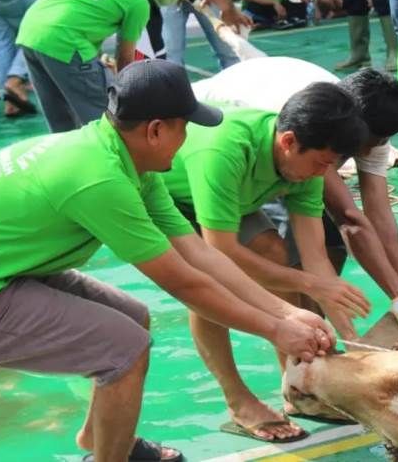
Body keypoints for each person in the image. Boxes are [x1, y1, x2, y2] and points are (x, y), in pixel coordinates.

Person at [0, 59, 334, 462]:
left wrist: (286, 313)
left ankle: (99, 441)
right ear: (155, 130)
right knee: (124, 349)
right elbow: (184, 282)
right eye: (183, 128)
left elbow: (197, 250)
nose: (186, 139)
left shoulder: (128, 160)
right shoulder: (100, 178)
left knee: (133, 317)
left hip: (5, 267)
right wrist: (275, 330)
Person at [162, 78, 378, 441]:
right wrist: (309, 287)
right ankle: (238, 400)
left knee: (274, 254)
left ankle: (297, 390)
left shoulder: (310, 159)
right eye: (320, 163)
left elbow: (314, 259)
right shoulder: (225, 150)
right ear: (288, 141)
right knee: (209, 287)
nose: (321, 174)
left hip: (230, 203)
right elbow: (220, 252)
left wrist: (353, 338)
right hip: (170, 198)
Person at [191, 57, 398, 338]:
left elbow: (376, 218)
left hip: (270, 165)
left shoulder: (352, 137)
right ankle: (293, 354)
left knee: (315, 249)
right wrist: (308, 286)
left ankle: (312, 338)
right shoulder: (308, 126)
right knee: (231, 271)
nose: (365, 155)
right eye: (362, 146)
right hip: (210, 157)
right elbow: (350, 219)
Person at [17, 0, 162, 133]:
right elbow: (125, 59)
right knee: (107, 124)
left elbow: (81, 16)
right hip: (64, 41)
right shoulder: (137, 0)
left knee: (62, 125)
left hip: (31, 31)